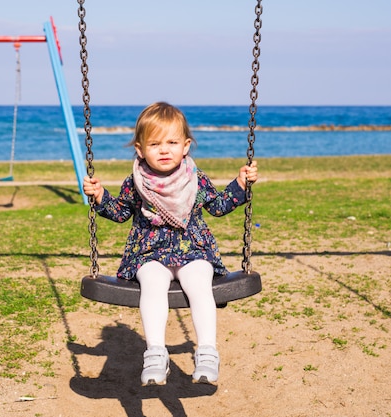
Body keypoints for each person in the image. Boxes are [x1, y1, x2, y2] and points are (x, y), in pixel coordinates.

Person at [83, 102, 259, 386]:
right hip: (149, 253)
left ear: (186, 146)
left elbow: (217, 206)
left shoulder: (194, 178)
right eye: (155, 144)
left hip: (193, 250)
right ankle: (155, 353)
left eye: (172, 142)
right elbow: (120, 213)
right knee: (152, 283)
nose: (164, 150)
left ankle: (206, 351)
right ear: (140, 150)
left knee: (199, 282)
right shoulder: (136, 182)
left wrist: (240, 184)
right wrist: (101, 195)